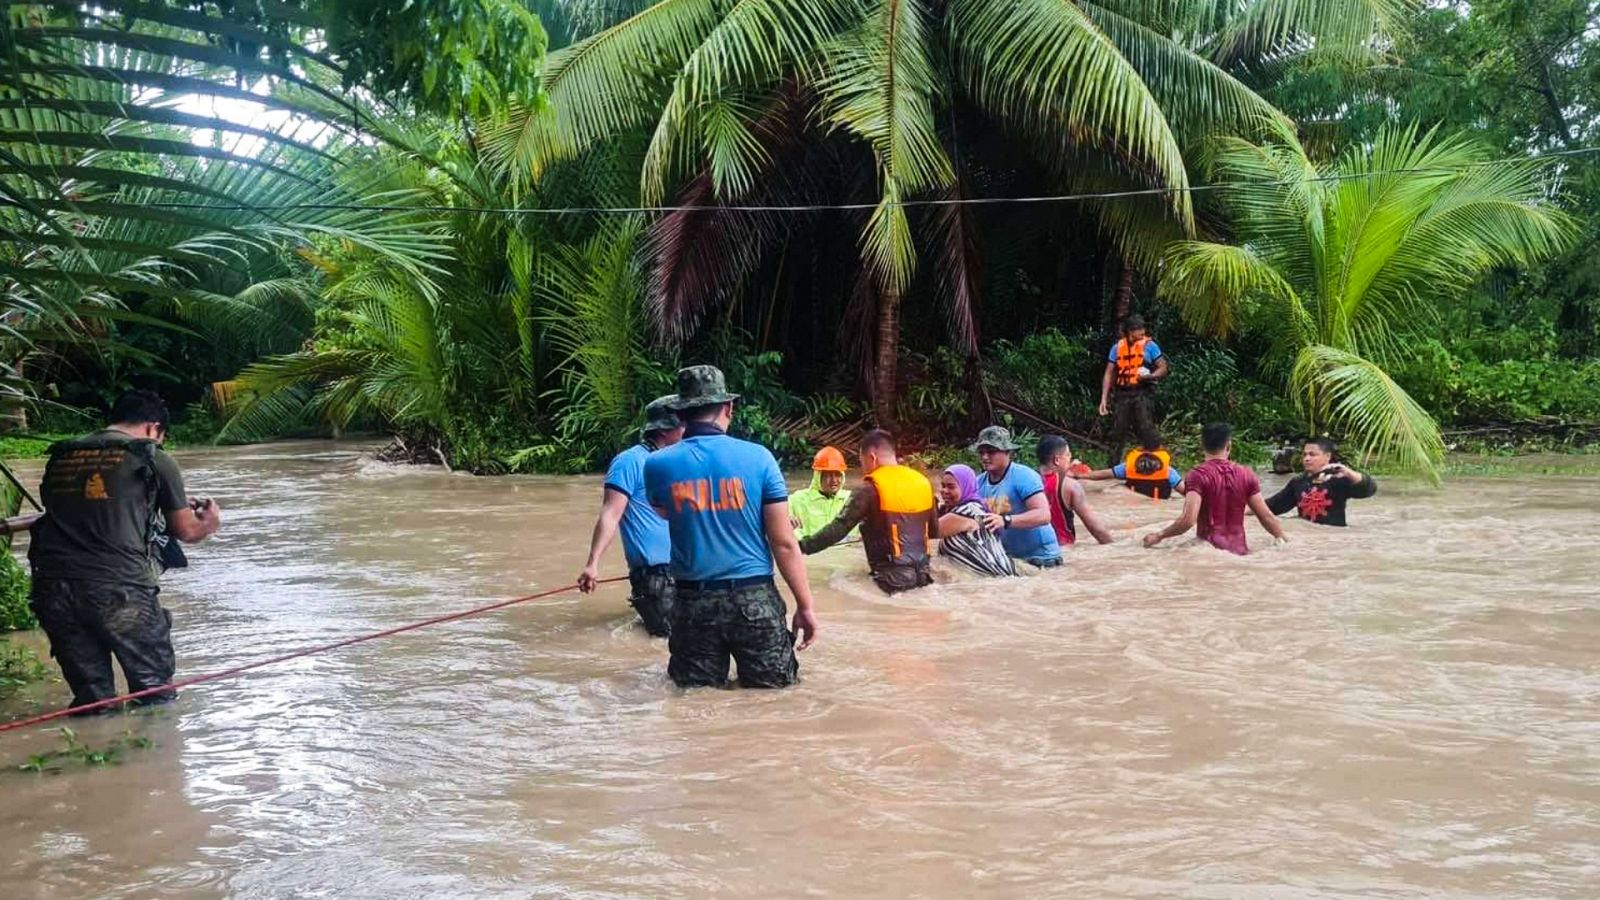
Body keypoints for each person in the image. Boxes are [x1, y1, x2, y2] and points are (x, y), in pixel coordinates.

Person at [27, 390, 222, 712]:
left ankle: (95, 752)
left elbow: (88, 507)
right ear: (153, 428)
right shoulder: (151, 456)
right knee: (155, 696)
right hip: (119, 589)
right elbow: (186, 530)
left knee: (93, 702)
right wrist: (210, 522)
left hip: (53, 589)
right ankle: (155, 757)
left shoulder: (63, 454)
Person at [643, 365, 819, 688]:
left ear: (682, 415)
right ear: (728, 408)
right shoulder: (760, 458)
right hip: (754, 599)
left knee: (695, 701)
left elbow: (665, 513)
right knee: (775, 697)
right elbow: (783, 542)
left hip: (692, 603)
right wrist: (805, 605)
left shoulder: (656, 464)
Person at [576, 395, 684, 637]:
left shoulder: (679, 462)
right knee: (669, 641)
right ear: (666, 431)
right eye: (683, 425)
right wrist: (592, 564)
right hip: (656, 577)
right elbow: (610, 514)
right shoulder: (630, 461)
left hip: (684, 571)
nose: (688, 430)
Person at [799, 430, 937, 593]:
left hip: (891, 580)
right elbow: (934, 531)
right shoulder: (924, 484)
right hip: (924, 575)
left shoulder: (870, 489)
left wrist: (802, 546)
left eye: (861, 462)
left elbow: (838, 528)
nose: (863, 469)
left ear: (872, 457)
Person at [1143, 422, 1286, 556]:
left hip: (1208, 553)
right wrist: (1284, 540)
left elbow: (1188, 520)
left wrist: (1159, 536)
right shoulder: (1247, 475)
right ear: (1229, 445)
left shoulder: (1197, 475)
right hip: (1241, 552)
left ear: (1202, 446)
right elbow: (1266, 516)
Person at [970, 426, 1062, 568]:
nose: (985, 457)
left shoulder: (1024, 476)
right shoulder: (978, 483)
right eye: (981, 452)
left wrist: (1005, 520)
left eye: (991, 452)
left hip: (1043, 558)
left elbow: (1044, 515)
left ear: (1008, 452)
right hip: (1011, 561)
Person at [1098, 314, 1168, 465]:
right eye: (1139, 330)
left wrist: (1150, 376)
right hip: (1122, 393)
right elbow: (1109, 372)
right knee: (1118, 430)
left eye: (1143, 329)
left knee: (1145, 426)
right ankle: (1113, 467)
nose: (1143, 332)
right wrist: (1104, 398)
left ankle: (1155, 463)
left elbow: (1163, 367)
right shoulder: (1117, 348)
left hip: (1143, 391)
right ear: (1130, 332)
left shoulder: (1150, 346)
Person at [1266, 438, 1377, 527]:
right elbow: (1273, 506)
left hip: (1334, 538)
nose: (1306, 459)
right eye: (1305, 455)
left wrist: (1348, 472)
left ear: (1327, 456)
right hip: (1307, 539)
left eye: (1312, 454)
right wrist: (1250, 508)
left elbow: (1369, 489)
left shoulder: (1338, 479)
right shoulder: (1298, 482)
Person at [934, 464, 1018, 577]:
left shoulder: (967, 511)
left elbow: (930, 531)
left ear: (966, 487)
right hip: (999, 578)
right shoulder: (977, 507)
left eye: (951, 487)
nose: (944, 491)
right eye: (943, 486)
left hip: (991, 581)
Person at [1035, 436, 1113, 545]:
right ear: (1057, 460)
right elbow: (1097, 530)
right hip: (1062, 551)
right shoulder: (1070, 486)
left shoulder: (1025, 480)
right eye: (1067, 454)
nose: (1070, 457)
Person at [1079, 436, 1186, 499]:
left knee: (1119, 486)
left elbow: (1103, 475)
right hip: (1159, 507)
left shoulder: (1127, 468)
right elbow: (1186, 492)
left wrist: (1079, 475)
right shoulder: (1169, 473)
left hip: (1131, 504)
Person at [789, 446, 854, 541]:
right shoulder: (797, 499)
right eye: (829, 475)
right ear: (818, 476)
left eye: (837, 475)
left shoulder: (850, 500)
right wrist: (787, 520)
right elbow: (777, 520)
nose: (834, 480)